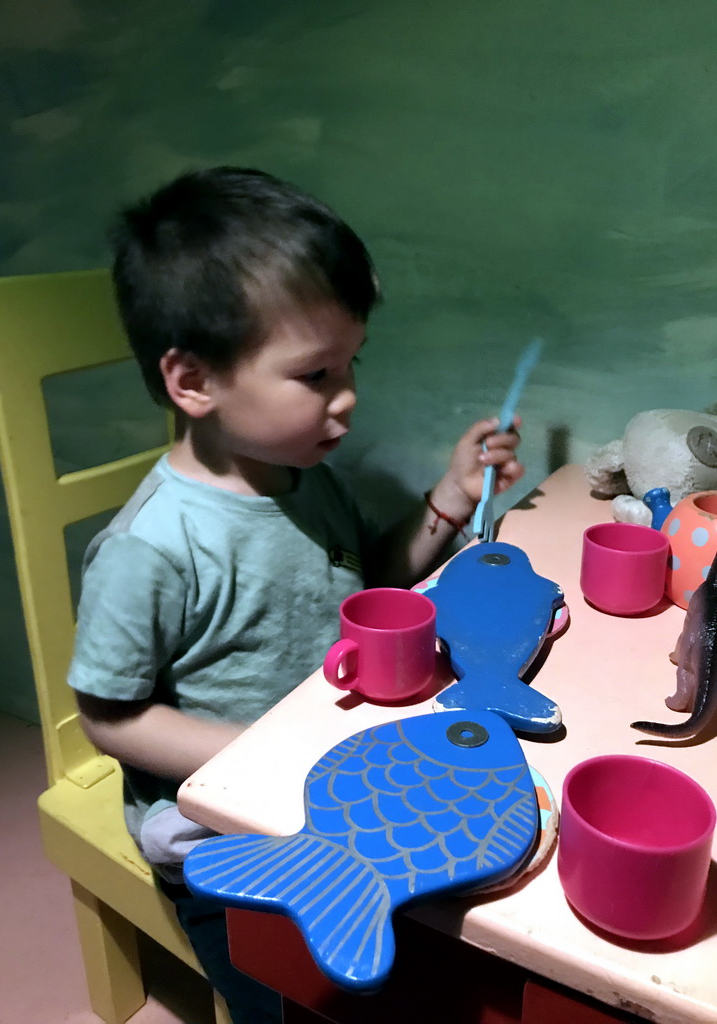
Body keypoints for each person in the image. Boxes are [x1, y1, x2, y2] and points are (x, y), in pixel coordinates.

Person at [67, 166, 523, 1023]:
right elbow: (109, 718)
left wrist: (451, 499)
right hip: (223, 826)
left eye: (352, 364)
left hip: (338, 772)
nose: (348, 399)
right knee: (300, 994)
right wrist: (264, 756)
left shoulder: (302, 476)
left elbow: (372, 587)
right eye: (315, 375)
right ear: (192, 381)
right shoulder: (151, 549)